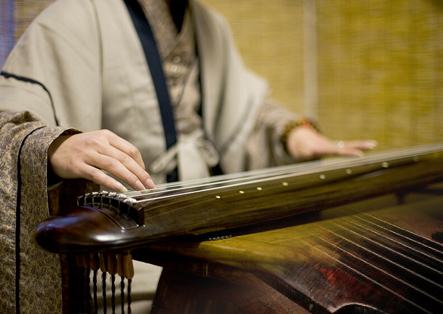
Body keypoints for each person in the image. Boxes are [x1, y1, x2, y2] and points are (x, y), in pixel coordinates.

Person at [0, 0, 376, 312]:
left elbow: (246, 111)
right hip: (131, 255)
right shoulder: (76, 15)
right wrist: (53, 144)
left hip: (212, 233)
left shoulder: (210, 24)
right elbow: (8, 125)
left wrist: (290, 134)